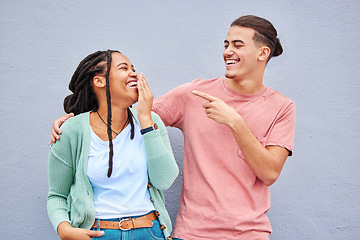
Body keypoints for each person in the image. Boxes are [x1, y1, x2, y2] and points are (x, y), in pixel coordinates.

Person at [51, 15, 295, 240]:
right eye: (226, 44)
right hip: (191, 233)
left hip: (250, 233)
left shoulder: (281, 107)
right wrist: (75, 118)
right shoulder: (193, 95)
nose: (227, 52)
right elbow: (129, 117)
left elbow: (269, 173)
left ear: (263, 53)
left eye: (238, 45)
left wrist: (235, 122)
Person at [47, 50, 179, 240]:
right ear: (99, 81)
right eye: (124, 68)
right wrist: (64, 229)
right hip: (98, 234)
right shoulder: (72, 131)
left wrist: (145, 119)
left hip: (150, 232)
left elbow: (164, 180)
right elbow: (57, 196)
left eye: (134, 68)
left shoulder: (150, 120)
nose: (133, 73)